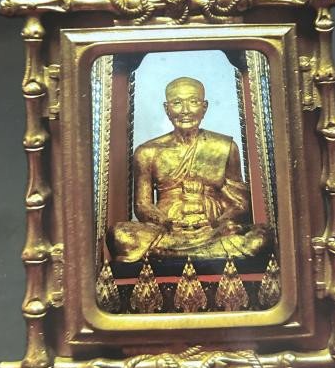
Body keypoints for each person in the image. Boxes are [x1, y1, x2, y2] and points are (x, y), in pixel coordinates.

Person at [107, 76, 269, 262]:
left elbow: (239, 203)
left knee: (261, 237)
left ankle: (173, 253)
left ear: (204, 107)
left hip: (213, 229)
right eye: (177, 103)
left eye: (193, 102)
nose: (185, 110)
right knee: (119, 235)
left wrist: (221, 222)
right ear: (167, 109)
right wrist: (165, 222)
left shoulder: (224, 147)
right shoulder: (147, 152)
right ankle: (203, 253)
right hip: (167, 230)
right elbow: (142, 205)